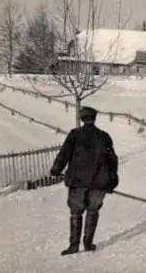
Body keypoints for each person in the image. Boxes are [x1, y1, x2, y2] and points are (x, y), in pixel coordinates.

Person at [50, 106, 119, 256]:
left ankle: (73, 246)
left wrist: (56, 169)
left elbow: (64, 154)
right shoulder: (104, 136)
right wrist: (112, 181)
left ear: (82, 119)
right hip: (99, 183)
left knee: (76, 212)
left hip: (78, 181)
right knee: (93, 211)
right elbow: (112, 160)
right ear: (94, 118)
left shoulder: (75, 135)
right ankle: (88, 244)